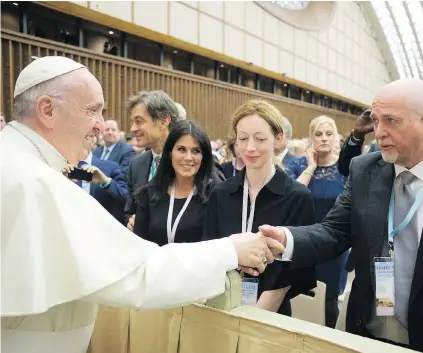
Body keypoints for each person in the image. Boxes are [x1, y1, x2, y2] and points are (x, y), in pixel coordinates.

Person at [0, 56, 284, 353]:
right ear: (47, 109)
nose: (99, 125)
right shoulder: (34, 181)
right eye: (92, 110)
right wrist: (230, 250)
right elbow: (138, 274)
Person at [259, 78, 423, 353]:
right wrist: (286, 238)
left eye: (391, 121)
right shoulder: (365, 169)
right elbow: (334, 231)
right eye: (377, 121)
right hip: (366, 335)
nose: (379, 133)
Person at [203, 100, 316, 316]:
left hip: (271, 314)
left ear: (279, 139)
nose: (250, 147)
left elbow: (292, 269)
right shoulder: (221, 194)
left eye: (260, 138)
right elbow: (211, 249)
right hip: (222, 306)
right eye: (243, 138)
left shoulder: (297, 197)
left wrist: (255, 317)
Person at [125, 91, 224, 230]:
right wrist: (132, 222)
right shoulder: (136, 165)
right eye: (133, 122)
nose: (132, 128)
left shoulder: (199, 166)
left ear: (164, 121)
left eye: (139, 121)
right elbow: (129, 211)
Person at [286, 115, 349, 328]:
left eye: (329, 134)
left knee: (330, 301)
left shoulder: (346, 169)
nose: (324, 138)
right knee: (299, 295)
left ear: (336, 138)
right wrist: (311, 167)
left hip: (334, 245)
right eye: (318, 134)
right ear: (311, 138)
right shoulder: (297, 165)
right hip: (304, 241)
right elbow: (292, 198)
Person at [133, 120, 215, 245]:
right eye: (181, 149)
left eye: (196, 151)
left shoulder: (215, 195)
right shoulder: (149, 193)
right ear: (170, 153)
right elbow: (139, 246)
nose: (188, 157)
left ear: (204, 156)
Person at [64, 130, 128, 224]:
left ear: (93, 140)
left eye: (86, 136)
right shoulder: (62, 167)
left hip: (102, 228)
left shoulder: (110, 167)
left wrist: (106, 181)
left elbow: (126, 196)